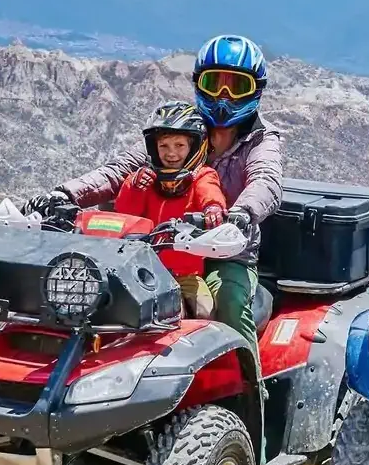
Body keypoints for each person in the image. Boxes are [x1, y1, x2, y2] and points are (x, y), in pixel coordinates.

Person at [37, 35, 283, 338]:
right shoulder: (182, 129)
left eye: (237, 86)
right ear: (198, 84)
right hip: (161, 246)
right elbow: (119, 169)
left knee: (230, 303)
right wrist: (66, 193)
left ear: (255, 90)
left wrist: (242, 213)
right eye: (214, 83)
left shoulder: (261, 139)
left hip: (226, 251)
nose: (223, 95)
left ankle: (249, 385)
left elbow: (266, 179)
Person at [104, 101, 227, 314]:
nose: (171, 153)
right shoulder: (145, 179)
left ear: (194, 147)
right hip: (145, 271)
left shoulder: (201, 176)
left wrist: (213, 208)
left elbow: (210, 190)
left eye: (179, 145)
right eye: (164, 146)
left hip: (187, 276)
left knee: (205, 311)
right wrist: (134, 187)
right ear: (154, 148)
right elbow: (125, 213)